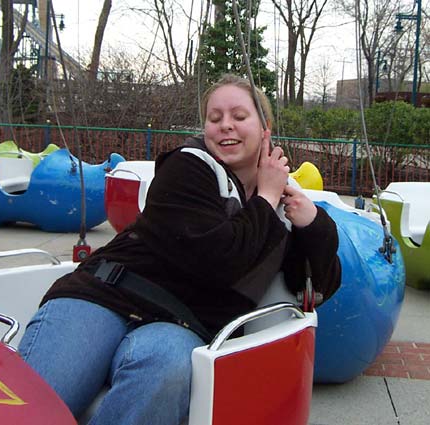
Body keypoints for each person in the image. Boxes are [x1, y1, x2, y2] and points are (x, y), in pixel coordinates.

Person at [18, 74, 341, 424]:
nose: (225, 126)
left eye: (239, 116)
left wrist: (313, 225)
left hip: (182, 324)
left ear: (265, 130)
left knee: (165, 369)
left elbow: (315, 286)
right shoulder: (188, 168)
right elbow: (220, 260)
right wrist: (265, 197)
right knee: (39, 402)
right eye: (214, 119)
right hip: (104, 293)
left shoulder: (280, 206)